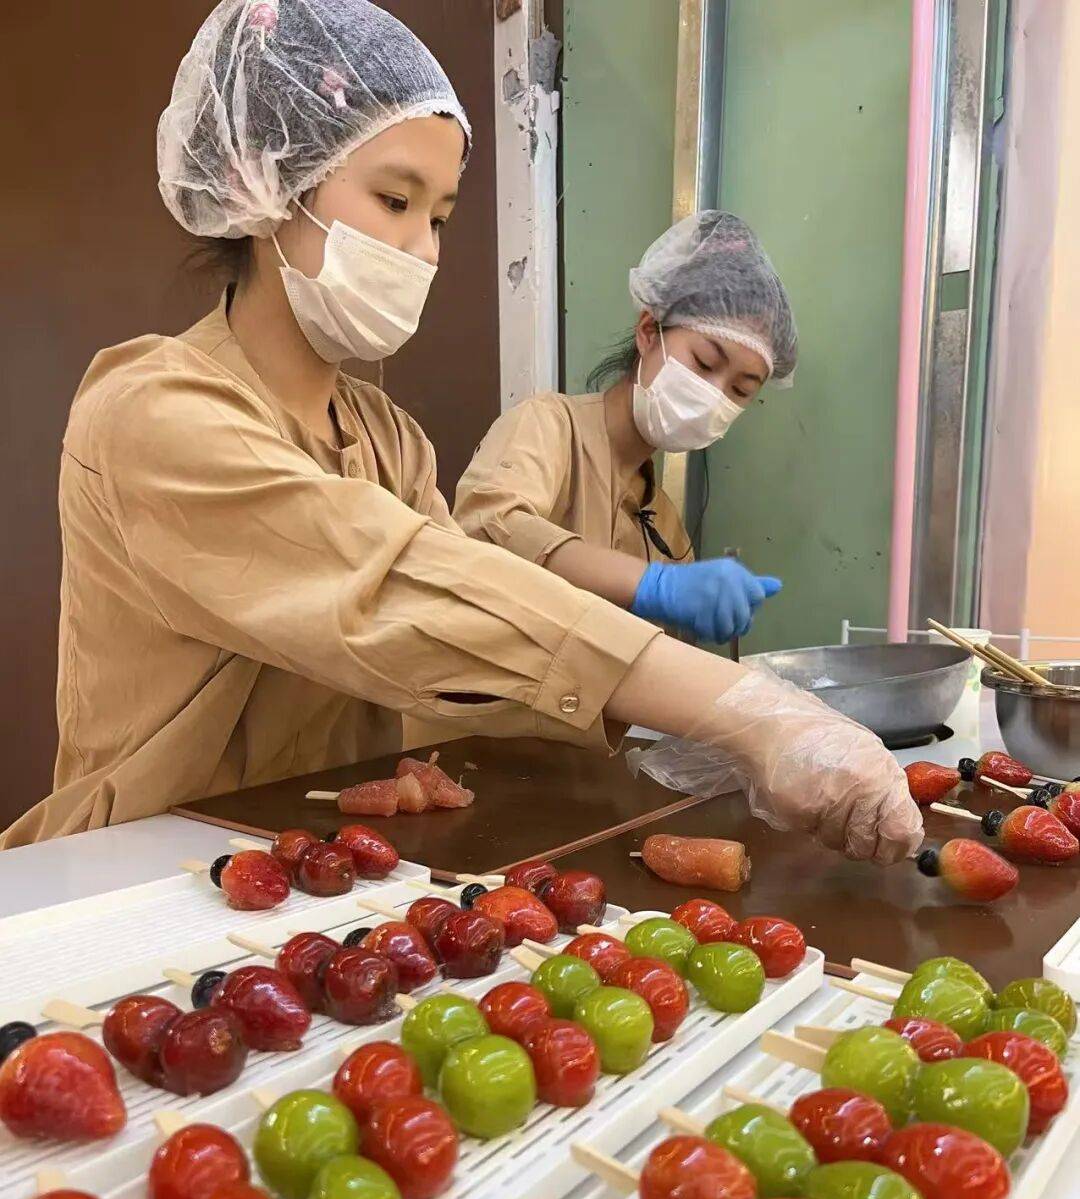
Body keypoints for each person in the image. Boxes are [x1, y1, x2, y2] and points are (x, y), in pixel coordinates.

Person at [1, 0, 921, 869]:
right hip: (134, 870)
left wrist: (689, 724)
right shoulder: (152, 412)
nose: (426, 249)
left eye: (440, 217)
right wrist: (747, 711)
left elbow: (463, 644)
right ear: (268, 182)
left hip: (315, 860)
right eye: (395, 201)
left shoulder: (387, 438)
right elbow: (408, 589)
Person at [454, 212, 796, 644]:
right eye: (705, 363)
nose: (714, 394)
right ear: (649, 332)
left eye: (741, 390)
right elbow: (486, 532)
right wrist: (649, 586)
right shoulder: (549, 427)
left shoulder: (665, 528)